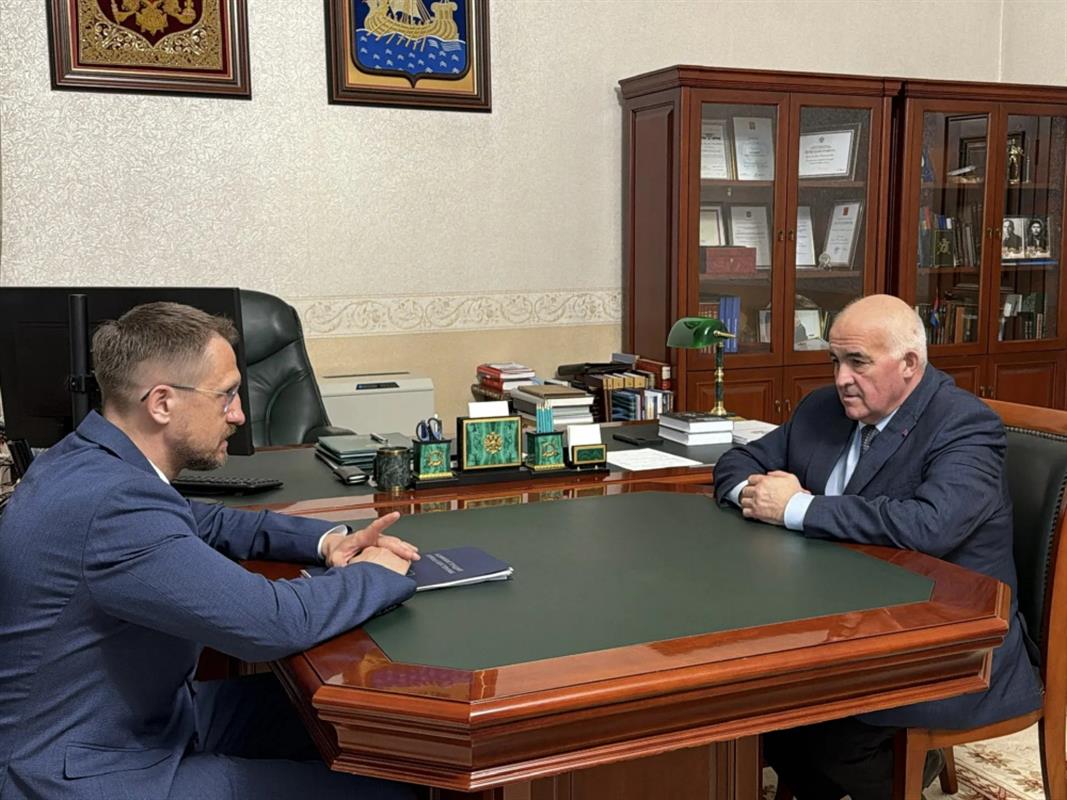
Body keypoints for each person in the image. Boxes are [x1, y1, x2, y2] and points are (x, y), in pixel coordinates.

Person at [0, 302, 423, 800]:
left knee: (370, 726)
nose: (239, 415)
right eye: (226, 395)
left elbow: (208, 520)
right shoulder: (115, 507)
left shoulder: (87, 458)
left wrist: (326, 541)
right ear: (162, 403)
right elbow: (271, 622)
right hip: (87, 772)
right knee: (391, 791)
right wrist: (375, 572)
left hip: (142, 720)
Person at [713, 294, 1042, 800]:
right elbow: (736, 463)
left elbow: (930, 526)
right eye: (835, 361)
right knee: (745, 708)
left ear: (909, 364)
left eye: (858, 362)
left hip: (947, 638)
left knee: (820, 740)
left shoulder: (963, 425)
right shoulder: (822, 408)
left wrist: (798, 508)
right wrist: (755, 495)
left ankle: (910, 768)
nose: (841, 378)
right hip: (842, 615)